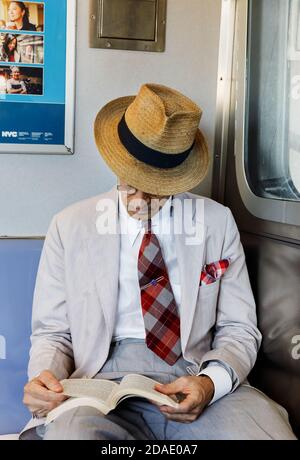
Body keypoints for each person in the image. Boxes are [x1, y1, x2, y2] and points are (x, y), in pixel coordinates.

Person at [21, 83, 297, 440]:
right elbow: (53, 333)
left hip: (192, 369)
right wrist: (45, 376)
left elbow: (239, 329)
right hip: (97, 379)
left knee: (267, 433)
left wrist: (208, 384)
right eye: (129, 183)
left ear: (176, 178)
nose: (137, 200)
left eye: (153, 189)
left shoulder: (217, 222)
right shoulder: (69, 225)